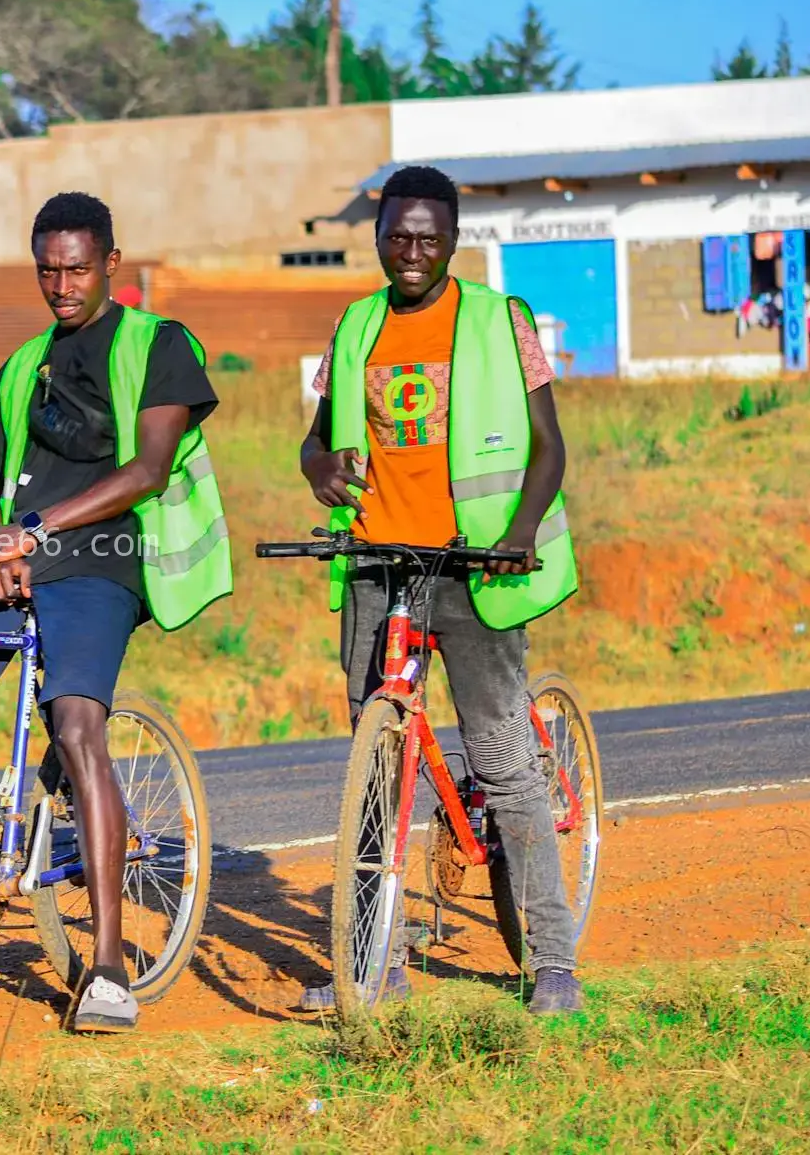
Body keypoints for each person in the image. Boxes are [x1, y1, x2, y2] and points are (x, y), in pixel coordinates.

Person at [0, 192, 229, 1032]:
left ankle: (107, 968)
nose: (61, 284)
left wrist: (35, 531)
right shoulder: (21, 364)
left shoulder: (159, 346)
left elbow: (147, 469)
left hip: (100, 564)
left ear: (111, 260)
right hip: (10, 569)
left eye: (76, 267)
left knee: (75, 727)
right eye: (47, 269)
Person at [299, 164, 584, 1015]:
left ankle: (554, 960)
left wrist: (522, 531)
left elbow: (548, 444)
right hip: (380, 566)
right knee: (377, 767)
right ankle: (372, 964)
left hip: (476, 566)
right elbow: (314, 443)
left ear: (455, 240)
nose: (412, 251)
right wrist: (321, 470)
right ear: (379, 236)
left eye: (428, 236)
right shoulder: (354, 326)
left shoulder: (503, 320)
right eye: (397, 235)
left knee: (502, 759)